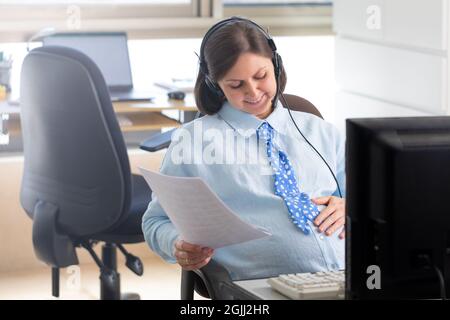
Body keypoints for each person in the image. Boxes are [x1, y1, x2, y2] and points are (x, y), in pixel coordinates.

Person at [142, 17, 346, 281]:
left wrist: (350, 205)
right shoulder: (193, 141)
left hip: (347, 279)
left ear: (276, 65)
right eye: (236, 85)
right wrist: (177, 244)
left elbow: (373, 202)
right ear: (216, 85)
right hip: (262, 287)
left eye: (261, 76)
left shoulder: (321, 132)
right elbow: (155, 222)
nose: (253, 92)